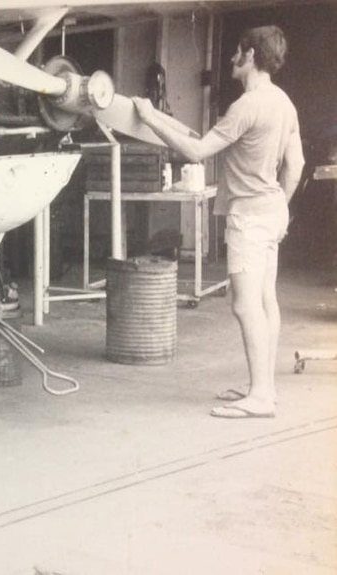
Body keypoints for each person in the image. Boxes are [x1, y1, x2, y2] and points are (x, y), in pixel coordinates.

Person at [133, 25, 304, 419]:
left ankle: (259, 397)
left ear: (250, 56)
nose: (231, 59)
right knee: (265, 301)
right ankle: (265, 388)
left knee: (245, 306)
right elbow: (295, 166)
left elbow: (196, 150)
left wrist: (149, 116)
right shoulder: (284, 102)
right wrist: (280, 205)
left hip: (249, 215)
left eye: (238, 53)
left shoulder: (246, 107)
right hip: (273, 211)